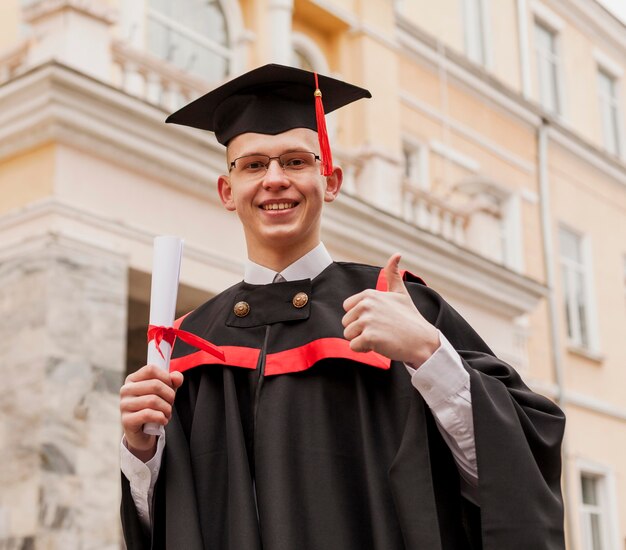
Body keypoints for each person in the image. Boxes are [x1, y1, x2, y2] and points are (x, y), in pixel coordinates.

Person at [119, 64, 566, 550]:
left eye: (295, 161)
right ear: (229, 192)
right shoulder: (190, 343)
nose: (274, 180)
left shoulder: (397, 305)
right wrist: (141, 451)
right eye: (253, 165)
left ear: (330, 180)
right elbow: (173, 527)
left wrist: (429, 355)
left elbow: (509, 480)